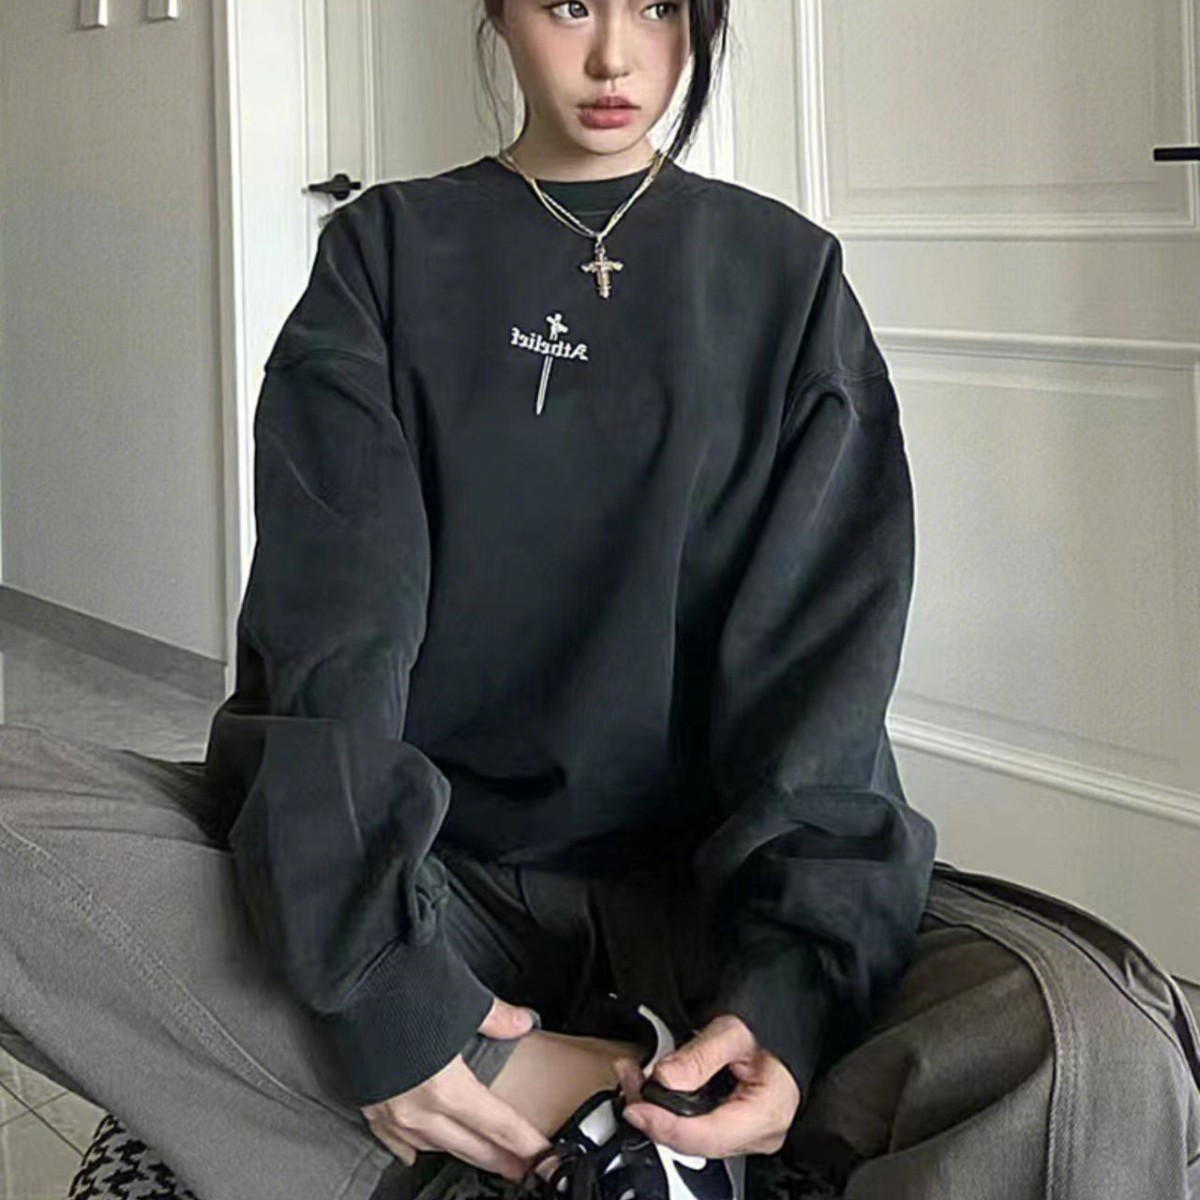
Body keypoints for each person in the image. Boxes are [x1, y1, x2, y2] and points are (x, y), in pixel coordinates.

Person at [0, 2, 1196, 1199]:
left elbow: (822, 686)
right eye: (571, 3)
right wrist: (388, 990)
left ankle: (541, 1132)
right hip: (436, 887)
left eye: (659, 7)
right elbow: (334, 647)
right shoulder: (387, 251)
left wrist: (787, 998)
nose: (617, 55)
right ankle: (526, 1097)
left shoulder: (788, 278)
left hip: (706, 911)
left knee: (1091, 1042)